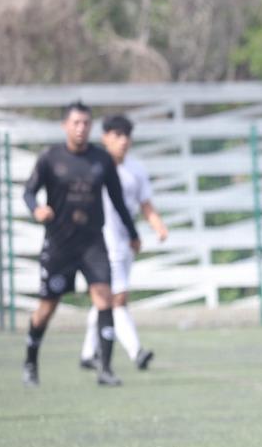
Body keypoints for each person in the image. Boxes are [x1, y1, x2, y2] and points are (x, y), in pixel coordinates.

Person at [21, 102, 141, 387]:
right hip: (60, 243)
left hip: (92, 244)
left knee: (104, 300)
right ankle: (30, 361)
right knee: (46, 309)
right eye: (75, 123)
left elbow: (118, 200)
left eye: (86, 123)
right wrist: (36, 209)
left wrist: (133, 233)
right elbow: (28, 192)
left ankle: (106, 369)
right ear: (65, 125)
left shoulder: (101, 160)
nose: (81, 128)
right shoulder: (51, 158)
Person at [78, 115, 168, 373]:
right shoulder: (93, 166)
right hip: (99, 243)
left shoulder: (136, 170)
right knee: (117, 299)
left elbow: (145, 204)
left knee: (104, 300)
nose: (123, 141)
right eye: (117, 135)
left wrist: (157, 226)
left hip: (125, 244)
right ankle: (136, 351)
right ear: (105, 137)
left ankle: (88, 353)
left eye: (127, 136)